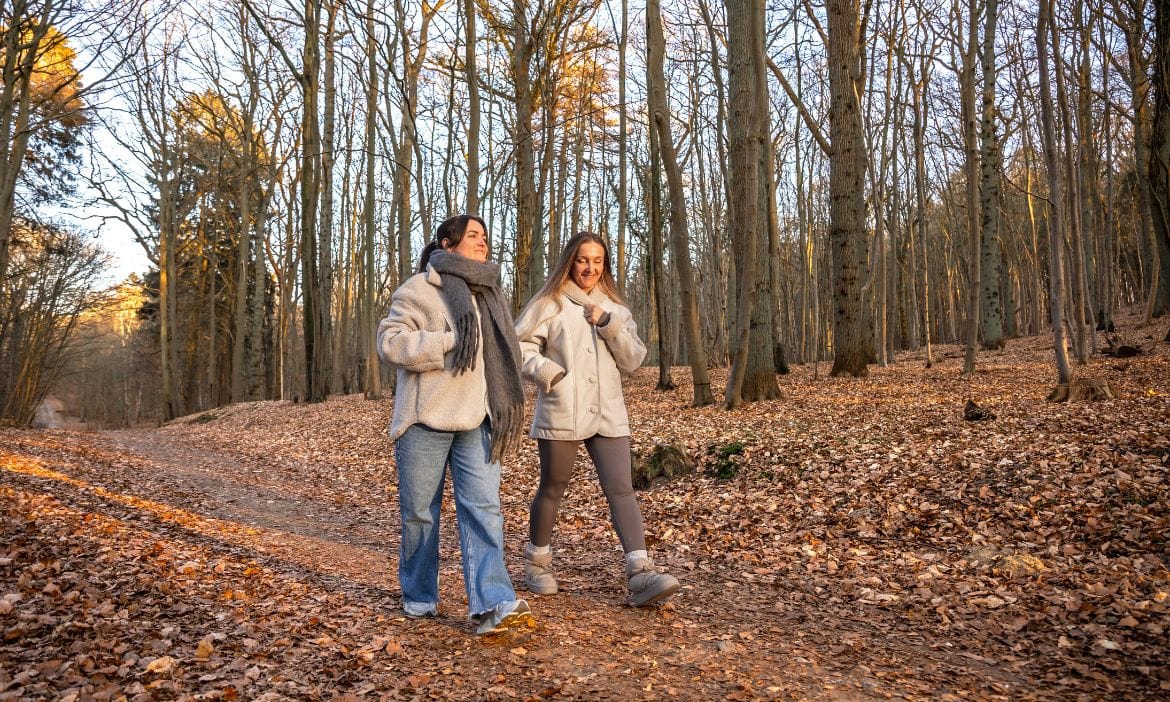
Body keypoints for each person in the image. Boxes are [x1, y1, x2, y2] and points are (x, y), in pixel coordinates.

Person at [376, 213, 534, 635]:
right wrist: (449, 340)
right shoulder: (419, 288)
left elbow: (506, 353)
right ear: (447, 245)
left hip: (478, 418)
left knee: (484, 510)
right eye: (472, 235)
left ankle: (492, 602)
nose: (482, 242)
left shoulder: (490, 293)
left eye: (485, 236)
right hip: (425, 418)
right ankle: (419, 594)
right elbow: (390, 344)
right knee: (420, 515)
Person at [515, 231, 680, 607]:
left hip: (608, 410)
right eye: (582, 260)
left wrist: (608, 323)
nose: (590, 268)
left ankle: (640, 573)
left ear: (605, 265)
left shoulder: (614, 307)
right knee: (553, 486)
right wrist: (547, 371)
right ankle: (536, 564)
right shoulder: (549, 303)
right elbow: (519, 345)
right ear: (569, 262)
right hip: (563, 406)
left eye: (597, 261)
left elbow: (633, 359)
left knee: (621, 488)